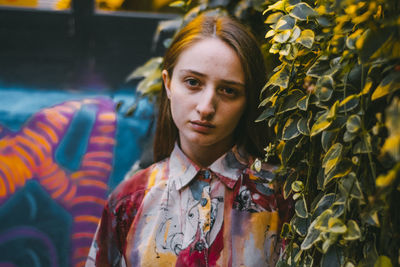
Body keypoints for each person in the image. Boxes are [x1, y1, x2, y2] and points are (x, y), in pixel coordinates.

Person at [86, 14, 292, 267]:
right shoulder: (128, 203)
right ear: (168, 84)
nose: (206, 107)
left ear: (248, 100)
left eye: (228, 90)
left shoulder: (282, 198)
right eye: (193, 82)